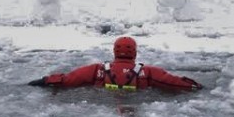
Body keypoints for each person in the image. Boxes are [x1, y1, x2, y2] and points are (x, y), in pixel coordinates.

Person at [28, 36, 203, 91]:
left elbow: (69, 79)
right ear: (135, 52)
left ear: (114, 51)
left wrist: (44, 81)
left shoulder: (97, 69)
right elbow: (172, 82)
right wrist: (194, 86)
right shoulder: (148, 71)